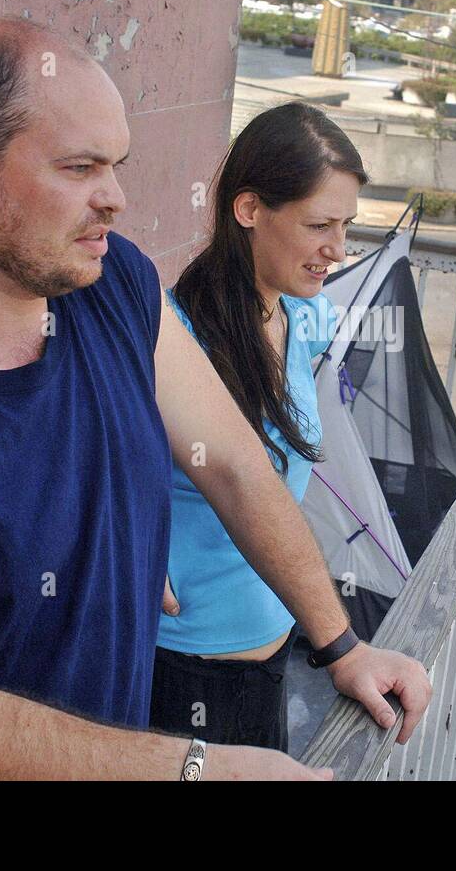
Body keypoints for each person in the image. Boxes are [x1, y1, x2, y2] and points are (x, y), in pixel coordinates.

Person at [0, 18, 430, 780]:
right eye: (80, 168)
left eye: (118, 165)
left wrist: (342, 645)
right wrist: (206, 771)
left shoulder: (114, 287)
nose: (117, 198)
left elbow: (233, 464)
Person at [150, 102, 360, 750]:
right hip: (189, 666)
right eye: (319, 224)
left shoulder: (308, 321)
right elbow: (77, 451)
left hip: (279, 643)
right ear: (248, 210)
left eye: (348, 226)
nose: (337, 249)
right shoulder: (173, 343)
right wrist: (132, 538)